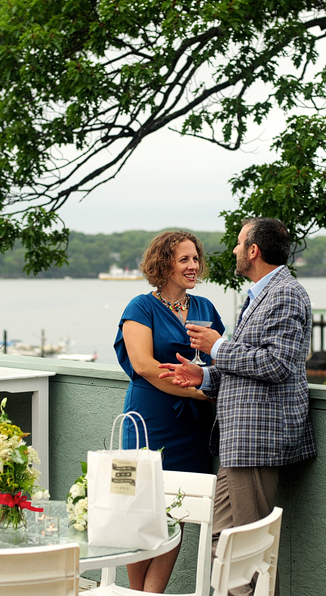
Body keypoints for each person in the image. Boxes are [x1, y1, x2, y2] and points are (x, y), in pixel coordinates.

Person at [160, 217, 317, 596]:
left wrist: (216, 347)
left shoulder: (286, 294)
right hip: (237, 442)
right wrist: (205, 378)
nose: (232, 250)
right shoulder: (260, 294)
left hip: (259, 440)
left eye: (238, 243)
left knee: (247, 551)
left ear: (253, 251)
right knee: (223, 544)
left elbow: (278, 364)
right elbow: (247, 366)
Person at [114, 229, 225, 592]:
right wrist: (198, 393)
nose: (193, 266)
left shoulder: (206, 309)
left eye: (195, 259)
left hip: (193, 429)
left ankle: (153, 592)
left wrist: (204, 386)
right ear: (165, 264)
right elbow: (144, 366)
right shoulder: (140, 307)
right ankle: (135, 594)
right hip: (151, 420)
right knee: (141, 510)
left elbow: (221, 364)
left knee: (178, 510)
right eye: (184, 260)